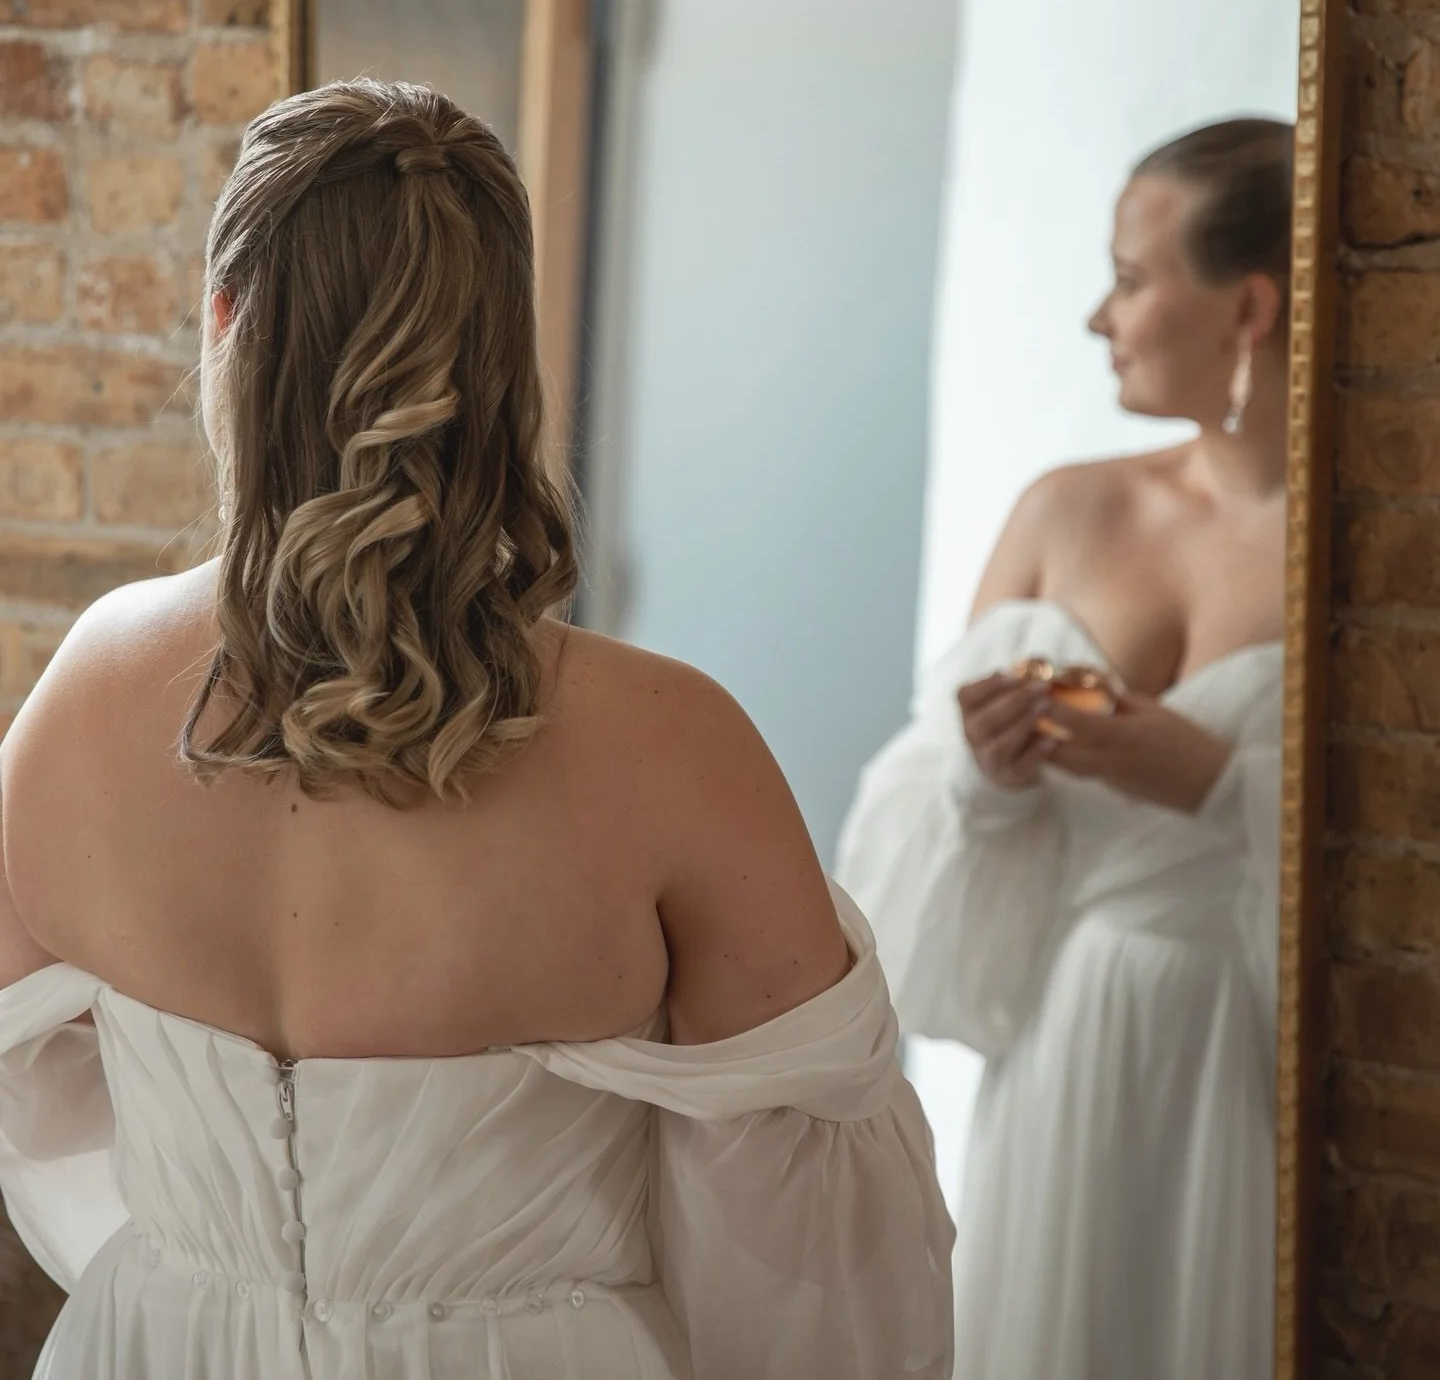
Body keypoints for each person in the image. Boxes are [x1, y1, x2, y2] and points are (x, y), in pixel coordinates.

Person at [0, 80, 953, 1380]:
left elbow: (37, 1092)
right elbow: (808, 1260)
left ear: (224, 321)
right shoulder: (673, 748)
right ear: (508, 362)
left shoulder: (87, 688)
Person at [837, 118, 1292, 1380]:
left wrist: (1212, 785)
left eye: (1135, 280)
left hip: (1243, 1063)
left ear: (1249, 307)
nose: (1103, 316)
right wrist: (984, 784)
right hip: (1064, 1050)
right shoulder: (1067, 509)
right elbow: (903, 830)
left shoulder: (1377, 553)